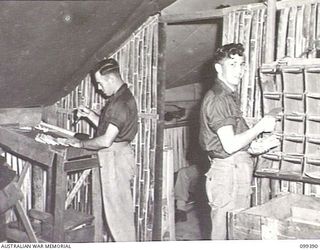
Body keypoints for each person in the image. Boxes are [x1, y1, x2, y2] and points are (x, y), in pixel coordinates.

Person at [199, 43, 279, 240]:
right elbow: (230, 145)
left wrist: (254, 147)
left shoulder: (227, 96)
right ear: (219, 68)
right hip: (228, 173)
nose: (239, 70)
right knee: (225, 234)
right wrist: (260, 126)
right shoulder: (219, 98)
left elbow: (236, 140)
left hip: (234, 169)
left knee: (234, 231)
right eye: (232, 64)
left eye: (242, 64)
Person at [66, 58, 138, 242]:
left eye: (99, 83)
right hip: (118, 155)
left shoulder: (119, 104)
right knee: (119, 212)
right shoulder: (121, 97)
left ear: (111, 79)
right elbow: (110, 129)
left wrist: (80, 144)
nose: (98, 88)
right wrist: (90, 114)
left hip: (115, 159)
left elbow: (106, 140)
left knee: (118, 217)